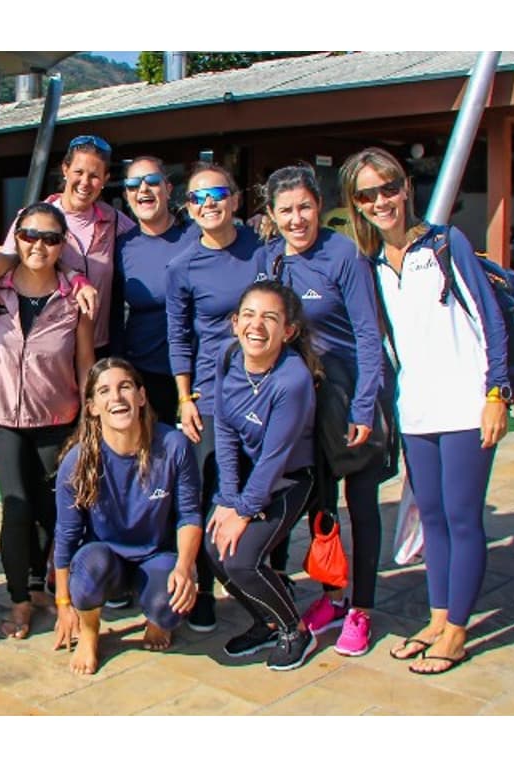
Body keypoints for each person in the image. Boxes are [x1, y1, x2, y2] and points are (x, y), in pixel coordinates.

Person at [340, 147, 510, 674]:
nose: (380, 201)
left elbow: (490, 321)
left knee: (462, 518)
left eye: (387, 188)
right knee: (431, 517)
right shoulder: (371, 265)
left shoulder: (444, 243)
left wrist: (496, 394)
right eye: (367, 194)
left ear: (406, 186)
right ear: (356, 204)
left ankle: (457, 631)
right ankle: (438, 618)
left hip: (465, 404)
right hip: (417, 410)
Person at [259, 164, 387, 656]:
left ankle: (362, 610)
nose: (297, 219)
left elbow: (369, 337)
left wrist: (363, 407)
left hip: (350, 395)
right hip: (304, 401)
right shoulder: (273, 261)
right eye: (286, 210)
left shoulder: (344, 256)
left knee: (362, 504)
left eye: (305, 207)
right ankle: (333, 597)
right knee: (321, 503)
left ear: (319, 205)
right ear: (271, 215)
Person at [0, 201, 96, 639]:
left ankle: (42, 582)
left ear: (62, 244)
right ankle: (18, 601)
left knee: (53, 511)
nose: (39, 245)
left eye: (51, 238)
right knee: (16, 509)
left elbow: (85, 360)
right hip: (4, 418)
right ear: (17, 238)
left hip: (58, 415)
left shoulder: (75, 297)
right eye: (30, 235)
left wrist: (91, 418)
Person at [165, 162, 267, 633]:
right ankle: (203, 590)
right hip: (209, 395)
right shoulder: (183, 264)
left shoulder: (263, 252)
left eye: (217, 194)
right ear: (187, 208)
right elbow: (179, 336)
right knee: (207, 492)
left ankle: (265, 584)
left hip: (264, 390)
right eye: (197, 198)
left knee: (260, 489)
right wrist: (185, 398)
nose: (208, 204)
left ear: (236, 199)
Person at [52, 358, 202, 675]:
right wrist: (64, 604)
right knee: (90, 564)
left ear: (142, 397)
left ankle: (156, 618)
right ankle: (91, 634)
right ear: (92, 407)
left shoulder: (174, 446)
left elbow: (189, 514)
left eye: (125, 387)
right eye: (105, 391)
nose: (117, 397)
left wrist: (185, 567)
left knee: (169, 606)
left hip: (155, 557)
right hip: (106, 561)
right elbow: (65, 538)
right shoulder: (78, 461)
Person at [206, 280, 321, 671]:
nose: (257, 326)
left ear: (288, 331)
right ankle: (265, 621)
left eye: (270, 318)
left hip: (289, 478)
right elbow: (222, 427)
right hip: (248, 474)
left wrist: (244, 510)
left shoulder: (292, 380)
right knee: (212, 548)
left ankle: (295, 630)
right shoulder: (227, 355)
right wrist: (226, 498)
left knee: (241, 560)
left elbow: (276, 456)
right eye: (249, 315)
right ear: (235, 323)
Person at [1, 134, 135, 358]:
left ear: (105, 179)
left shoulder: (115, 222)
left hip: (98, 347)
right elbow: (5, 266)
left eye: (94, 176)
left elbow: (148, 242)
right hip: (48, 350)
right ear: (65, 169)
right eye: (78, 172)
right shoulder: (33, 219)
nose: (85, 182)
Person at [110, 156, 199, 423]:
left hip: (199, 369)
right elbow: (114, 317)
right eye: (134, 184)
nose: (143, 190)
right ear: (126, 194)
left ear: (168, 188)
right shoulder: (123, 246)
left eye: (152, 181)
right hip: (146, 371)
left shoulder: (197, 235)